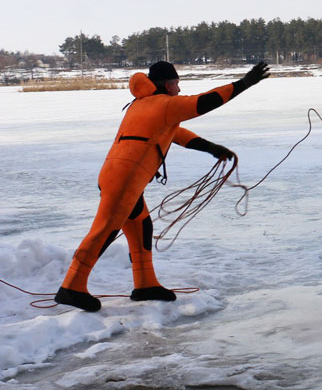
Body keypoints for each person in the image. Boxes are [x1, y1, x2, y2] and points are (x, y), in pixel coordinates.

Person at [54, 60, 270, 312]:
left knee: (140, 226)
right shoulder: (166, 104)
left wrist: (211, 148)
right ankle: (72, 286)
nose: (179, 89)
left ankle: (145, 284)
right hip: (125, 179)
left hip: (117, 175)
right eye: (177, 84)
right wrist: (245, 83)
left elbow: (174, 133)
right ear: (167, 85)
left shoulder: (142, 104)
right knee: (104, 230)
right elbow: (203, 102)